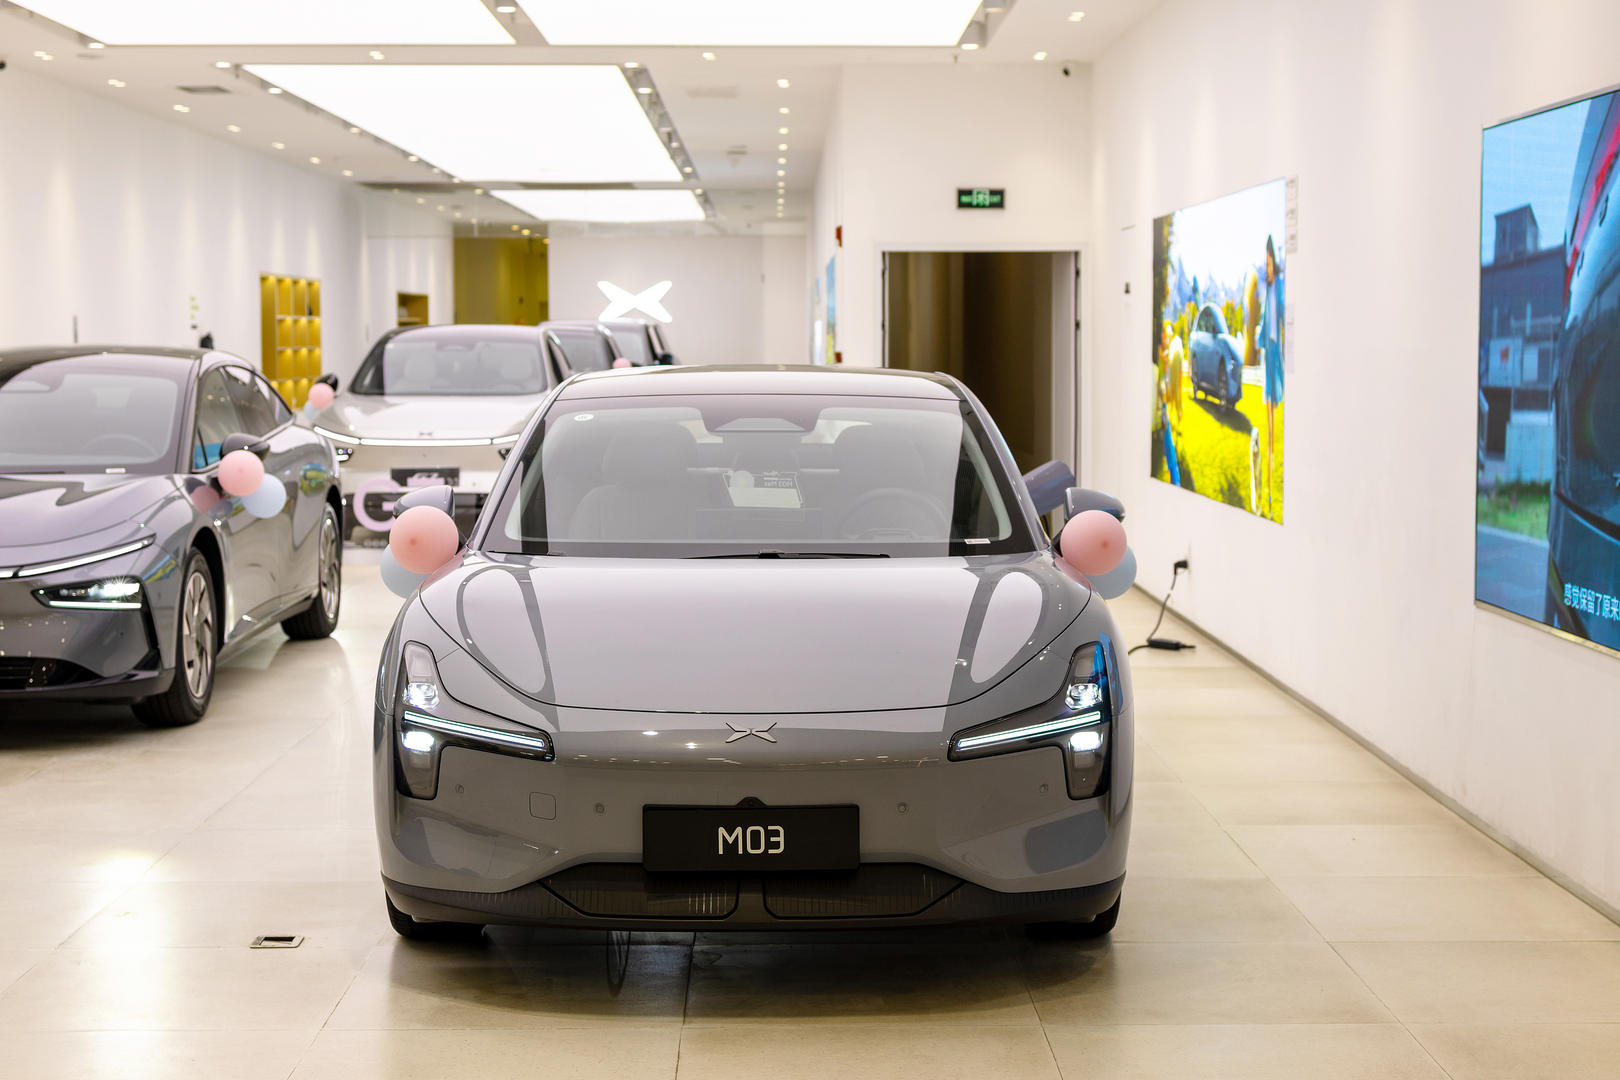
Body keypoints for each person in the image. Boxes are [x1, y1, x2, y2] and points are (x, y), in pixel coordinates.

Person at [1260, 236, 1284, 516]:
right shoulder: (1269, 289)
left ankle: (1273, 458)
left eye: (1269, 264)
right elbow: (1267, 323)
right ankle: (1269, 462)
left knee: (1275, 404)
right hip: (1269, 357)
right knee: (1269, 409)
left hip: (1277, 357)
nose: (1267, 269)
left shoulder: (1279, 286)